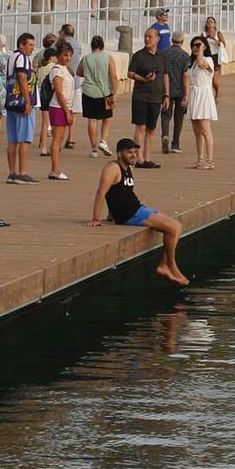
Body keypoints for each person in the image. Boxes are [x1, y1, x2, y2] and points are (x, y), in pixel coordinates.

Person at [90, 138, 188, 284]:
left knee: (177, 226)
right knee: (173, 228)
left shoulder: (128, 168)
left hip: (137, 208)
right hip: (129, 214)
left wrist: (110, 215)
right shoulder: (112, 168)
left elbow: (119, 193)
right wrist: (96, 219)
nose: (133, 155)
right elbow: (101, 193)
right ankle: (171, 266)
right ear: (119, 153)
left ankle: (163, 265)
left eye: (135, 152)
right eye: (129, 152)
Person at [126, 24, 165, 166]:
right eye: (146, 36)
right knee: (140, 127)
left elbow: (165, 76)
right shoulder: (139, 55)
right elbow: (129, 73)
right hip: (140, 96)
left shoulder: (162, 56)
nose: (147, 39)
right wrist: (143, 79)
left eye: (150, 36)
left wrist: (166, 95)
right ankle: (139, 159)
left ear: (157, 39)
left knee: (151, 129)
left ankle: (147, 158)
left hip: (156, 97)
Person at [6, 31, 37, 184]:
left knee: (12, 139)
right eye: (30, 45)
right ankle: (22, 172)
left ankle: (12, 173)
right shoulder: (22, 58)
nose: (32, 48)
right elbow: (22, 78)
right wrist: (28, 101)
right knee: (25, 139)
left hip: (11, 102)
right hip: (22, 102)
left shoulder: (12, 57)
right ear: (21, 45)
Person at [77, 34, 115, 156]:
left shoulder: (86, 58)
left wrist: (88, 76)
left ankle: (93, 148)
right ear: (102, 46)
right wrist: (115, 93)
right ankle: (103, 140)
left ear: (92, 46)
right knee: (107, 118)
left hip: (88, 91)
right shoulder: (108, 58)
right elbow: (113, 76)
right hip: (106, 92)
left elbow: (79, 72)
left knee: (92, 119)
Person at [186, 35, 217, 169]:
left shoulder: (207, 59)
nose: (195, 48)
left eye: (198, 45)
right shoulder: (192, 63)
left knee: (205, 130)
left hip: (203, 96)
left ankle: (210, 161)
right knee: (197, 131)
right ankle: (200, 159)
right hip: (194, 95)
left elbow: (201, 64)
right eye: (193, 45)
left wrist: (201, 51)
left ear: (204, 46)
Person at [46, 40, 76, 181]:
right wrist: (67, 111)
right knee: (57, 139)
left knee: (59, 138)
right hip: (58, 107)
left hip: (64, 106)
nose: (68, 58)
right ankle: (55, 169)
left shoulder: (66, 70)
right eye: (65, 55)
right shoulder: (57, 70)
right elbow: (59, 92)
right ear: (58, 55)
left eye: (70, 55)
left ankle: (55, 168)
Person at [159, 30, 191, 154]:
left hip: (166, 89)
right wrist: (186, 94)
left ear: (172, 40)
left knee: (165, 115)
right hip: (180, 89)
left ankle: (165, 135)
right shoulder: (184, 55)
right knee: (179, 117)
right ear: (182, 42)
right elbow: (185, 75)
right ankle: (175, 143)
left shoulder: (163, 53)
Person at [200, 16, 228, 115]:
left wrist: (214, 40)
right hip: (207, 57)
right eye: (208, 22)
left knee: (214, 80)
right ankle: (209, 96)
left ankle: (217, 92)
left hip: (215, 57)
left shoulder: (218, 33)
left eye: (211, 22)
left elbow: (224, 44)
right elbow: (199, 44)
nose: (209, 23)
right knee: (207, 78)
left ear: (214, 24)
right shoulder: (203, 34)